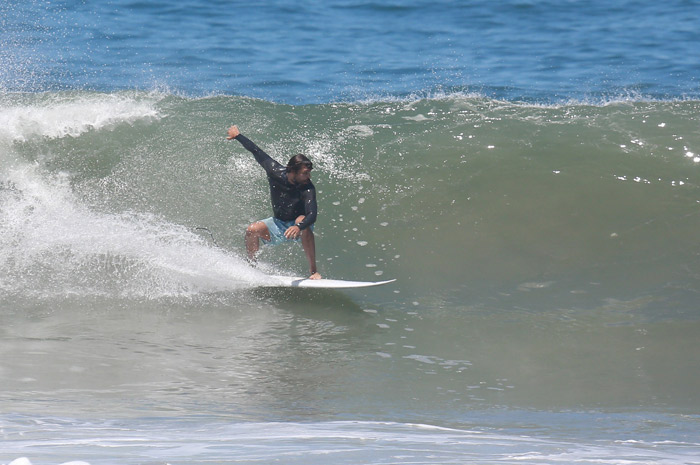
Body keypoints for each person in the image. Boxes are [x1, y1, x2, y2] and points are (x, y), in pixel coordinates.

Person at [227, 125, 321, 279]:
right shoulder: (274, 171)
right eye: (305, 174)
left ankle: (313, 271)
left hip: (300, 226)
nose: (308, 177)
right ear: (292, 171)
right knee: (252, 230)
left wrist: (299, 226)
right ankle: (252, 267)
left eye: (309, 173)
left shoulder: (308, 188)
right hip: (278, 224)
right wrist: (238, 136)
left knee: (302, 219)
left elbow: (312, 215)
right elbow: (257, 152)